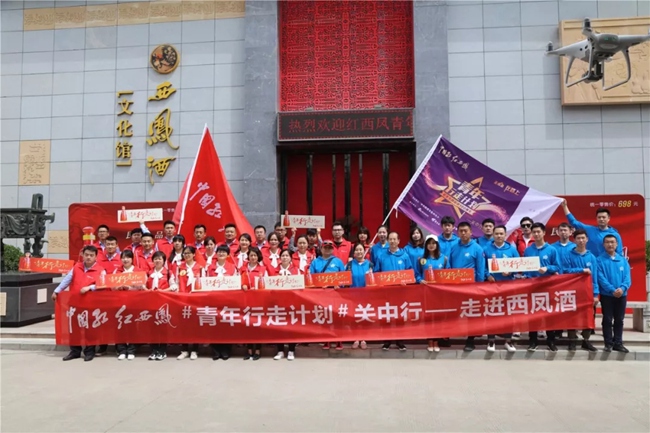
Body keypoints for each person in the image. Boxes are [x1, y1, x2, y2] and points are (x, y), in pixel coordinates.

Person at [52, 245, 106, 362]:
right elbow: (67, 280)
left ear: (96, 257)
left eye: (91, 255)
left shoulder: (101, 270)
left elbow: (103, 285)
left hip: (91, 304)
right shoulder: (77, 267)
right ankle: (75, 351)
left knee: (90, 329)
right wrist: (57, 291)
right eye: (86, 255)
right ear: (82, 255)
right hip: (75, 303)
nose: (88, 257)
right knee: (74, 328)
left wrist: (90, 287)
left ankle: (89, 352)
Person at [524, 222, 561, 353]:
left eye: (539, 232)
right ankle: (533, 341)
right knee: (533, 314)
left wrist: (547, 268)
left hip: (548, 286)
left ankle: (551, 341)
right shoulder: (528, 250)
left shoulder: (552, 250)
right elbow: (525, 267)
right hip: (532, 286)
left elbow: (557, 267)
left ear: (544, 233)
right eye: (534, 232)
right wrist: (524, 276)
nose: (536, 234)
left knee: (550, 314)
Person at [448, 222, 486, 352]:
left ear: (471, 232)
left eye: (466, 231)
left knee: (471, 313)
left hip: (472, 287)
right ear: (457, 232)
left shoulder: (477, 248)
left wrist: (479, 286)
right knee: (456, 311)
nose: (463, 233)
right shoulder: (453, 247)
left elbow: (480, 269)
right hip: (456, 287)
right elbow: (449, 266)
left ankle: (470, 340)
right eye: (461, 231)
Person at [562, 229, 599, 352]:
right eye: (578, 238)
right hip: (573, 291)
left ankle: (586, 340)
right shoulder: (568, 255)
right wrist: (581, 270)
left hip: (587, 292)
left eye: (583, 238)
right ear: (574, 240)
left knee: (588, 316)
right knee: (572, 316)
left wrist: (595, 294)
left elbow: (595, 277)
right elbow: (566, 271)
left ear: (587, 239)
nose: (581, 240)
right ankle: (572, 340)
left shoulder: (591, 257)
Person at [375, 232, 412, 351]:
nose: (392, 241)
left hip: (401, 292)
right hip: (386, 292)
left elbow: (410, 272)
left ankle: (400, 341)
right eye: (390, 239)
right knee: (387, 316)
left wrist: (406, 281)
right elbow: (376, 272)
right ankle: (387, 341)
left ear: (399, 241)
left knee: (400, 316)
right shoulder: (381, 256)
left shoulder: (404, 256)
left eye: (394, 239)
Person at [483, 225, 518, 353]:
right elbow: (483, 266)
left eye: (501, 234)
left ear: (505, 235)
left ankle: (508, 340)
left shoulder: (512, 250)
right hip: (492, 286)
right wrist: (488, 275)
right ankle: (491, 340)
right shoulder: (486, 249)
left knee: (508, 313)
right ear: (493, 235)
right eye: (496, 234)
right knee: (492, 312)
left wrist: (510, 272)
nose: (499, 236)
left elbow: (518, 265)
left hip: (508, 286)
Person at [309, 240, 346, 350]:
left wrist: (339, 285)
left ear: (333, 249)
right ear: (321, 249)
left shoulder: (338, 261)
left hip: (336, 293)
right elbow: (311, 279)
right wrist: (319, 285)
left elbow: (344, 277)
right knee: (325, 317)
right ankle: (327, 340)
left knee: (337, 317)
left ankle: (339, 340)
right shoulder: (315, 262)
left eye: (330, 247)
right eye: (325, 247)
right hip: (322, 293)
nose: (327, 249)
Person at [597, 234, 631, 353]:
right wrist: (612, 290)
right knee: (607, 319)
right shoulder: (599, 260)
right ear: (603, 244)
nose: (610, 244)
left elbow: (627, 278)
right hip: (607, 295)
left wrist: (622, 288)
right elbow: (600, 278)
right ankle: (608, 343)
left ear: (617, 244)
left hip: (622, 295)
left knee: (619, 320)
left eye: (612, 242)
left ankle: (618, 343)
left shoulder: (622, 260)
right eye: (607, 242)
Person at [416, 235, 448, 352]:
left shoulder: (444, 259)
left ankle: (436, 341)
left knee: (438, 316)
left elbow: (448, 273)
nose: (431, 245)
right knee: (428, 316)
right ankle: (430, 340)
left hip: (439, 292)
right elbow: (416, 273)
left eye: (433, 243)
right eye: (429, 243)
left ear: (437, 245)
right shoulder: (421, 259)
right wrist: (420, 280)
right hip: (426, 291)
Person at [172, 246, 202, 360]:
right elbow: (176, 282)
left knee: (195, 326)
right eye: (185, 253)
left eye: (189, 253)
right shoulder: (180, 267)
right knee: (183, 325)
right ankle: (184, 350)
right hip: (182, 300)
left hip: (196, 300)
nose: (187, 255)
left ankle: (194, 350)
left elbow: (203, 283)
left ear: (194, 254)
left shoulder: (200, 267)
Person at [114, 249, 144, 361]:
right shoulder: (117, 271)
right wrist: (117, 287)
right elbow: (111, 286)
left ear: (132, 259)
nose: (125, 260)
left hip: (134, 302)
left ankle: (131, 350)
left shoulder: (138, 271)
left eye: (128, 257)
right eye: (123, 258)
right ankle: (121, 350)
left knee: (133, 326)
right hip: (120, 303)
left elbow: (142, 286)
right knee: (120, 326)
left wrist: (130, 288)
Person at [274, 249, 301, 361]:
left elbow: (300, 286)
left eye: (287, 256)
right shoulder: (274, 270)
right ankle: (280, 351)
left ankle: (291, 350)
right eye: (283, 255)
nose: (284, 257)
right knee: (279, 327)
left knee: (292, 326)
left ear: (291, 258)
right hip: (278, 302)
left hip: (292, 302)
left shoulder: (296, 270)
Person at [241, 248, 268, 361]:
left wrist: (258, 288)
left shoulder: (263, 269)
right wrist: (242, 285)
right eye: (251, 255)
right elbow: (237, 281)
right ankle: (249, 350)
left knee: (257, 326)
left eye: (255, 255)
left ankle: (257, 350)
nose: (253, 257)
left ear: (258, 257)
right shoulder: (243, 269)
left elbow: (266, 284)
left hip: (259, 301)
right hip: (245, 301)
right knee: (247, 326)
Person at [147, 251, 171, 361]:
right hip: (150, 303)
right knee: (152, 328)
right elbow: (143, 285)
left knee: (163, 327)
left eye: (160, 259)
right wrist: (147, 290)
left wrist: (162, 292)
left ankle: (162, 351)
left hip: (164, 303)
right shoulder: (148, 273)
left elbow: (174, 286)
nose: (157, 261)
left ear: (164, 261)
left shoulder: (168, 273)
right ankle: (154, 350)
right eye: (155, 259)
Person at [347, 242, 372, 350]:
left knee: (364, 317)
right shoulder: (349, 265)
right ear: (354, 253)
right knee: (355, 318)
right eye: (356, 250)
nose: (359, 252)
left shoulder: (370, 264)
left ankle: (364, 339)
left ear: (364, 251)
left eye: (361, 249)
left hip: (366, 295)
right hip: (353, 295)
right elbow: (345, 279)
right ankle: (356, 338)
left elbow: (374, 279)